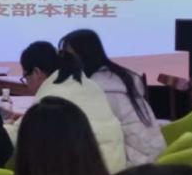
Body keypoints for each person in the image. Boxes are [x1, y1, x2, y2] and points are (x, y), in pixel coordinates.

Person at [7, 41, 127, 173]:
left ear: (36, 72)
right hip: (114, 171)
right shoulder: (87, 84)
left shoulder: (51, 95)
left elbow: (17, 136)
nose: (27, 84)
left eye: (25, 77)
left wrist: (3, 124)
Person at [60, 29, 165, 165]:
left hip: (137, 162)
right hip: (152, 153)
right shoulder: (119, 77)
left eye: (68, 56)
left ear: (84, 56)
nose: (64, 62)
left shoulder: (100, 90)